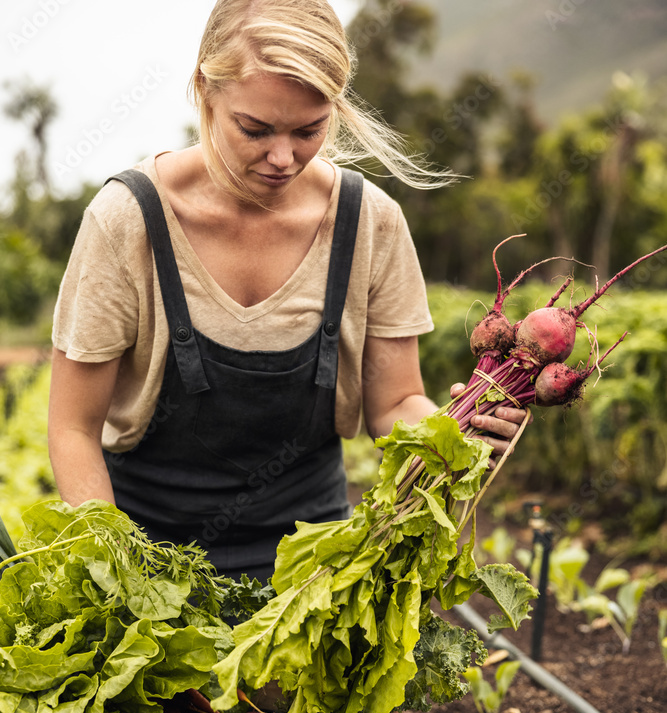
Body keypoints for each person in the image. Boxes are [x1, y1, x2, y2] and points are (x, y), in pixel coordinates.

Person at [48, 0, 527, 583]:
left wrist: (454, 433)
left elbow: (394, 402)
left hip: (313, 570)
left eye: (309, 131)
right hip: (151, 560)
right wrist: (120, 578)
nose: (283, 158)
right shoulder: (128, 221)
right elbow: (73, 429)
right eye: (255, 129)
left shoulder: (369, 222)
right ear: (204, 89)